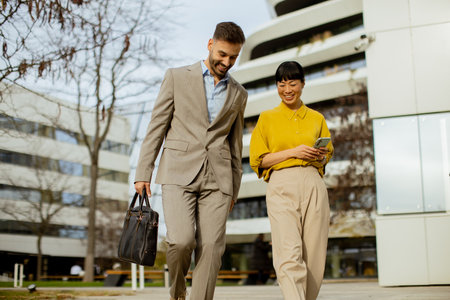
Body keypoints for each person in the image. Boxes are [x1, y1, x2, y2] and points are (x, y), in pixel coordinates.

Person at [134, 22, 247, 300]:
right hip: (177, 171)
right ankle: (177, 292)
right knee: (182, 241)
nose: (227, 62)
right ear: (210, 44)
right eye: (222, 54)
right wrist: (143, 171)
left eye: (233, 57)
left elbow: (235, 145)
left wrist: (234, 187)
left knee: (211, 246)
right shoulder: (176, 77)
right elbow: (157, 126)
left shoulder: (239, 93)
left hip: (219, 179)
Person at [249, 61, 333, 300]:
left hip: (313, 183)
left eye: (292, 83)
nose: (287, 89)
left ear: (302, 84)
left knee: (314, 258)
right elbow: (259, 160)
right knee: (288, 254)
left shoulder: (317, 118)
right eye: (281, 83)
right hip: (281, 184)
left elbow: (327, 155)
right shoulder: (267, 118)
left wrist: (320, 155)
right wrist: (293, 152)